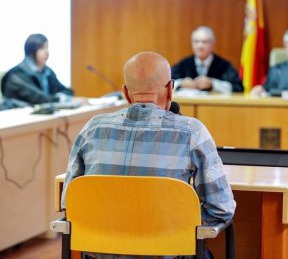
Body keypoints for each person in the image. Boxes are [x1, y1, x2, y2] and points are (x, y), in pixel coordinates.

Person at [61, 51, 236, 258]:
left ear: (126, 93)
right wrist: (173, 229)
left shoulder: (92, 128)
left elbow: (69, 204)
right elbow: (220, 209)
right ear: (170, 90)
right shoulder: (193, 132)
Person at [1, 33, 73, 105]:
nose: (46, 52)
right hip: (20, 114)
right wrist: (59, 98)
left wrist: (60, 97)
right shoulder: (16, 75)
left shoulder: (47, 72)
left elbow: (68, 91)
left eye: (47, 47)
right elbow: (39, 98)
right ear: (31, 51)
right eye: (41, 48)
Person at [172, 26, 244, 93]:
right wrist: (181, 83)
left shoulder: (224, 66)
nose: (200, 46)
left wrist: (213, 84)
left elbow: (238, 87)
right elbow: (166, 85)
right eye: (196, 41)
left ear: (212, 44)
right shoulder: (183, 64)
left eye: (204, 42)